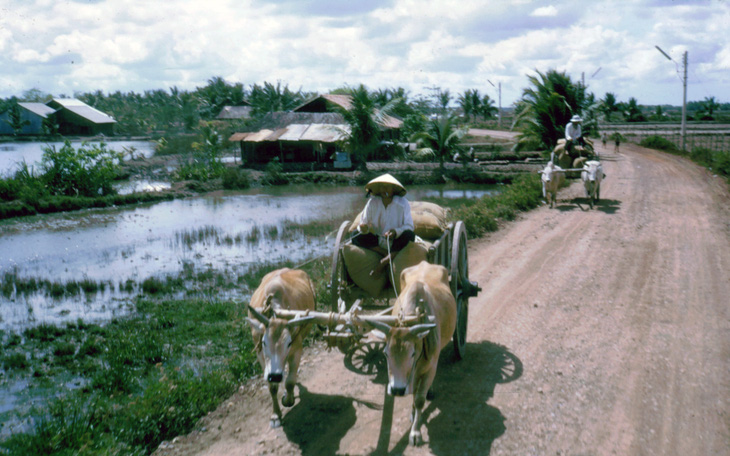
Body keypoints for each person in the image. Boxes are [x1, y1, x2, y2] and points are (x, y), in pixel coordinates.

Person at [352, 174, 415, 276]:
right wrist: (363, 228)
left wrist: (395, 232)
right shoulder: (372, 202)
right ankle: (384, 253)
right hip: (378, 241)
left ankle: (384, 262)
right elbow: (363, 224)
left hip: (396, 241)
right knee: (355, 235)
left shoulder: (403, 203)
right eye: (382, 187)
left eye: (387, 187)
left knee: (410, 235)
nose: (384, 189)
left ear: (393, 189)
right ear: (378, 189)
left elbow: (409, 226)